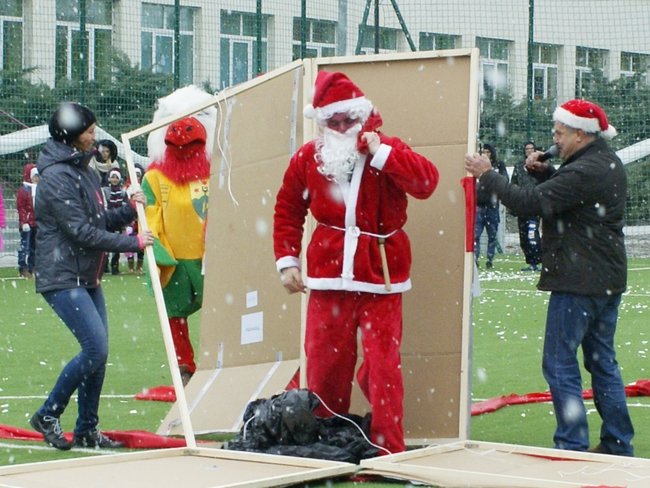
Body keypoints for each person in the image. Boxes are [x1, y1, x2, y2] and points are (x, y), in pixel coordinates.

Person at [273, 71, 439, 454]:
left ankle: (388, 448)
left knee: (383, 368)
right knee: (325, 366)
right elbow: (287, 208)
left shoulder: (389, 149)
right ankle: (326, 441)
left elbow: (426, 183)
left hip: (380, 276)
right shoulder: (307, 158)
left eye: (350, 119)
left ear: (363, 116)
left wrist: (383, 154)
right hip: (329, 277)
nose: (343, 127)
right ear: (323, 122)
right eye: (334, 121)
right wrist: (287, 260)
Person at [464, 99, 634, 456]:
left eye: (559, 133)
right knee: (602, 361)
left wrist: (487, 174)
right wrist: (544, 173)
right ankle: (618, 443)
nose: (553, 139)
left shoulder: (585, 170)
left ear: (579, 135)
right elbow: (565, 198)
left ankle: (571, 444)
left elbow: (530, 204)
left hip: (579, 279)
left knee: (559, 361)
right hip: (603, 276)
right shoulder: (603, 162)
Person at [29, 102, 154, 451]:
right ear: (70, 134)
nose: (94, 136)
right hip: (63, 276)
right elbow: (81, 232)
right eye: (88, 131)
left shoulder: (83, 168)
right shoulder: (55, 177)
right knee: (95, 349)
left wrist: (130, 209)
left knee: (98, 354)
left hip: (87, 276)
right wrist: (133, 243)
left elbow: (98, 220)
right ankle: (48, 414)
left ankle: (87, 429)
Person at [142, 85, 216, 386]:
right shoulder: (153, 177)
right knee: (174, 315)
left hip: (207, 257)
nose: (183, 129)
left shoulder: (216, 172)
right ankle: (184, 365)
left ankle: (217, 361)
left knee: (218, 310)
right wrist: (158, 251)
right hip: (175, 258)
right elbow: (150, 216)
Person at [474, 143, 508, 269]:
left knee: (492, 235)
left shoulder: (498, 166)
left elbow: (505, 181)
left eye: (488, 152)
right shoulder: (476, 165)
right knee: (476, 235)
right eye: (484, 152)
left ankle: (490, 259)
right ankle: (476, 259)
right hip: (479, 206)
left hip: (492, 207)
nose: (486, 154)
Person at [510, 141, 542, 271]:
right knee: (523, 235)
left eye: (531, 149)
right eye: (526, 149)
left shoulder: (540, 165)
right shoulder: (519, 166)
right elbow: (513, 184)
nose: (528, 151)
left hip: (534, 205)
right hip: (521, 205)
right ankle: (530, 261)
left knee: (532, 233)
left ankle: (537, 261)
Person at [102, 169, 129, 275]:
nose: (114, 179)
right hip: (108, 220)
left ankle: (115, 266)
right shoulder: (105, 191)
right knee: (106, 243)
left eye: (116, 177)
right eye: (112, 177)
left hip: (119, 220)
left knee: (117, 243)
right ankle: (104, 265)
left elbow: (125, 205)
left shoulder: (122, 192)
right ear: (109, 178)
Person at [16, 164, 39, 278]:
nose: (37, 178)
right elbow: (21, 207)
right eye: (35, 176)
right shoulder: (24, 190)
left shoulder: (39, 189)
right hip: (27, 224)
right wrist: (24, 221)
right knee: (25, 246)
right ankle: (23, 267)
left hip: (36, 223)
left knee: (35, 246)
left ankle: (33, 267)